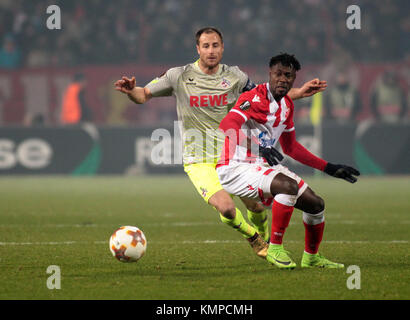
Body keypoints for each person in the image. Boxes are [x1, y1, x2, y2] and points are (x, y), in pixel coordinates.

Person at [114, 27, 327, 259]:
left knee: (257, 207)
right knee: (226, 208)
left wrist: (299, 92)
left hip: (234, 155)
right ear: (198, 49)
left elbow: (264, 95)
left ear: (222, 48)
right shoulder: (179, 76)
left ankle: (263, 234)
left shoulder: (235, 76)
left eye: (215, 45)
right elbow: (143, 94)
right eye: (206, 46)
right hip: (199, 160)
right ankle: (254, 238)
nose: (211, 50)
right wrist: (130, 91)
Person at [216, 53, 360, 269]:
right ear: (270, 74)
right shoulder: (252, 97)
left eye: (289, 76)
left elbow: (291, 147)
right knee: (287, 186)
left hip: (261, 165)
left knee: (316, 205)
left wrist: (328, 168)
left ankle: (311, 257)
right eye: (279, 74)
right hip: (235, 167)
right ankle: (275, 248)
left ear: (294, 79)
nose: (283, 79)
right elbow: (227, 126)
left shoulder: (287, 107)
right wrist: (259, 147)